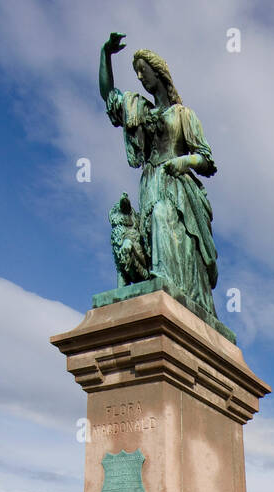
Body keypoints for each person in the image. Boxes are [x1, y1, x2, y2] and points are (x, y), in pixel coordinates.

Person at [99, 32, 220, 324]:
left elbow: (207, 159)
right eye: (137, 72)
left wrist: (182, 161)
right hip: (151, 182)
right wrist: (105, 54)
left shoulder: (184, 115)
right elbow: (108, 95)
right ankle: (158, 287)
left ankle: (169, 289)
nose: (140, 77)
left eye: (144, 71)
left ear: (160, 73)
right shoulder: (140, 109)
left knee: (165, 220)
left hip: (179, 188)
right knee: (152, 229)